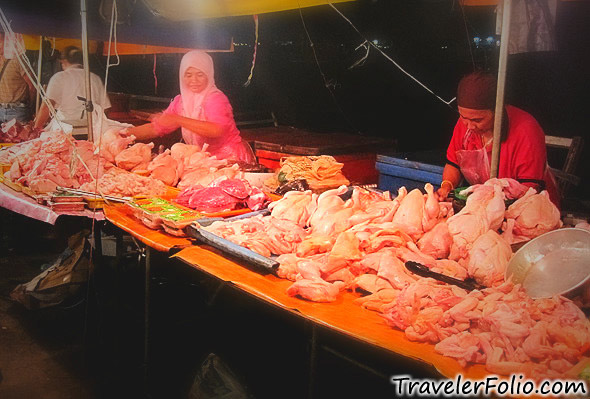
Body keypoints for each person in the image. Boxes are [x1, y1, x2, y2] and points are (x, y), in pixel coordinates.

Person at [437, 71, 559, 206]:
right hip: (484, 203)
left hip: (528, 207)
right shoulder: (464, 124)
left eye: (478, 120)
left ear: (498, 110)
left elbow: (529, 188)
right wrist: (447, 185)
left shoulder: (526, 130)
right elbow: (453, 163)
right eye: (463, 117)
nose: (470, 126)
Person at [125, 50, 255, 163]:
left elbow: (216, 129)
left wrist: (178, 119)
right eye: (188, 75)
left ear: (209, 75)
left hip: (231, 160)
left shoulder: (215, 98)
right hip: (204, 160)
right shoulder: (180, 101)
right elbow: (157, 127)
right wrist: (125, 135)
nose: (194, 80)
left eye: (200, 75)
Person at [34, 46, 111, 130]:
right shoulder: (95, 78)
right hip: (91, 129)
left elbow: (47, 106)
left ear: (64, 61)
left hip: (65, 130)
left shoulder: (59, 77)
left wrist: (36, 128)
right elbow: (105, 108)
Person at [0, 32, 35, 123]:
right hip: (1, 109)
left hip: (17, 111)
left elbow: (32, 86)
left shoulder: (18, 60)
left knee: (17, 137)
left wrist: (29, 107)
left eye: (0, 41)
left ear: (7, 42)